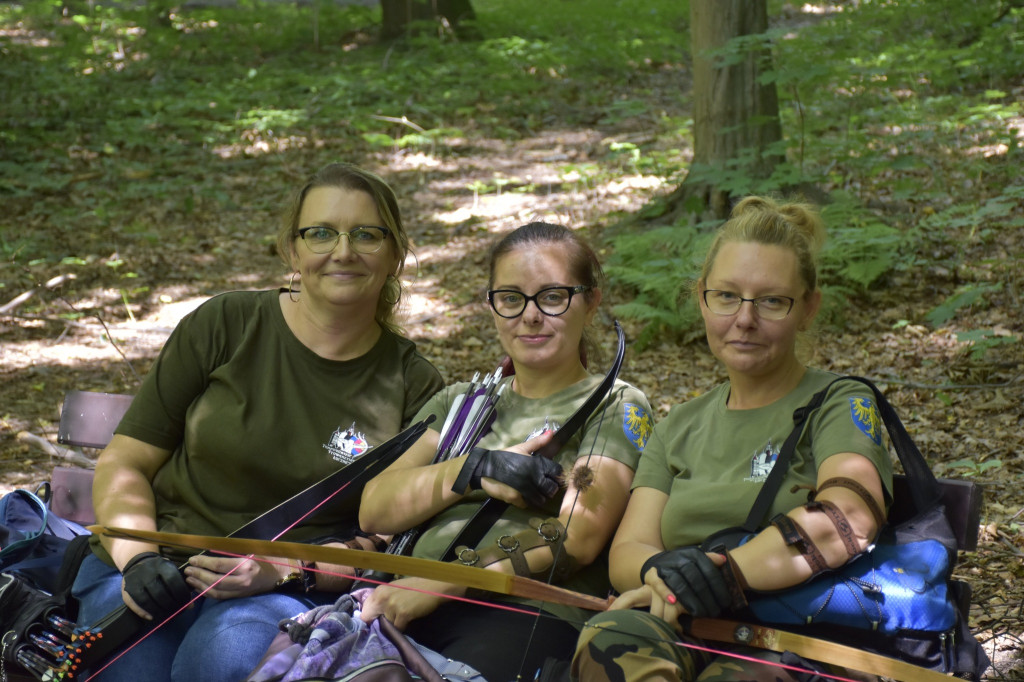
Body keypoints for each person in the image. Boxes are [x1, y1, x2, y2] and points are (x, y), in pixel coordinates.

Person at [71, 162, 445, 682]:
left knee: (220, 661)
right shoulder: (224, 325)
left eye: (366, 234)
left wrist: (282, 572)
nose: (343, 251)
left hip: (281, 590)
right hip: (155, 564)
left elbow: (378, 543)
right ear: (292, 250)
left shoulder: (415, 384)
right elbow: (126, 460)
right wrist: (138, 559)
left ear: (395, 254)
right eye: (320, 233)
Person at [572, 197, 894, 681]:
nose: (745, 319)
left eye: (771, 301)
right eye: (727, 296)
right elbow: (629, 550)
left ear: (808, 308)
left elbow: (848, 518)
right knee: (612, 639)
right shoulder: (679, 424)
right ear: (702, 298)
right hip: (687, 626)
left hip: (798, 636)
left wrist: (725, 575)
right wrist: (668, 577)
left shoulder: (838, 401)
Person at [357, 222, 654, 680]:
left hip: (521, 613)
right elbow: (374, 510)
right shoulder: (461, 403)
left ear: (591, 302)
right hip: (399, 600)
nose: (530, 316)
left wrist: (442, 583)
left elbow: (578, 538)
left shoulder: (616, 404)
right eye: (511, 299)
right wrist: (473, 469)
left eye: (552, 297)